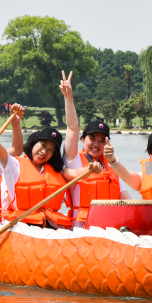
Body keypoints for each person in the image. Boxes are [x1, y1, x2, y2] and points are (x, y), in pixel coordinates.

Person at [0, 109, 102, 229]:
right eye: (43, 145)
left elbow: (75, 172)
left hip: (47, 225)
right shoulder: (14, 165)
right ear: (34, 142)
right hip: (18, 224)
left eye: (50, 150)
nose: (44, 152)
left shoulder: (56, 170)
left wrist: (90, 168)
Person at [61, 70, 131, 227]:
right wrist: (68, 97)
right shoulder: (74, 161)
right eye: (92, 139)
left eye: (101, 141)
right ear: (83, 140)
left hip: (109, 225)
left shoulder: (112, 167)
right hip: (81, 226)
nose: (96, 144)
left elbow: (127, 201)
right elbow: (72, 128)